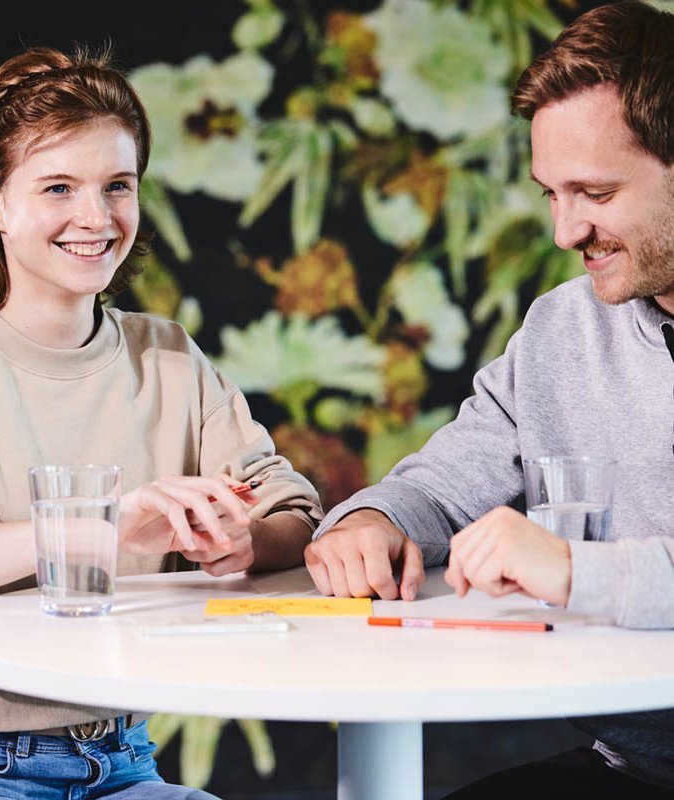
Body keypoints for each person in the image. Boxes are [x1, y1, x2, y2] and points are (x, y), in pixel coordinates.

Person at [0, 43, 323, 800]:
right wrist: (101, 530)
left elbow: (295, 513)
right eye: (58, 187)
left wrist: (243, 539)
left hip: (125, 761)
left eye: (118, 185)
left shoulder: (169, 357)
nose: (96, 217)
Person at [303, 1, 674, 797]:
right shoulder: (560, 331)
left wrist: (574, 568)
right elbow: (443, 484)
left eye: (594, 193)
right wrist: (375, 522)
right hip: (636, 765)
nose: (564, 231)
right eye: (550, 193)